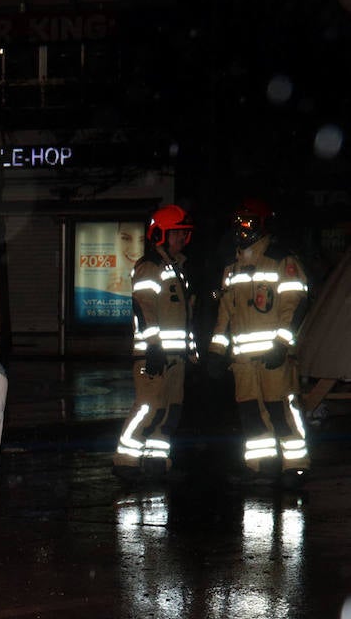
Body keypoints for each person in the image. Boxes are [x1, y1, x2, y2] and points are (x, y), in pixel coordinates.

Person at [207, 198, 311, 485]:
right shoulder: (232, 268)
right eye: (238, 223)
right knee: (251, 415)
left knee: (282, 412)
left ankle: (295, 467)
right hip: (243, 362)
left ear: (263, 224)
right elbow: (225, 312)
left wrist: (282, 343)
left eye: (249, 223)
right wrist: (216, 351)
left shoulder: (282, 260)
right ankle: (261, 468)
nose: (242, 229)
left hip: (274, 357)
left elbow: (296, 305)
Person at [113, 204, 196, 479]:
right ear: (160, 234)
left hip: (176, 357)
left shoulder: (177, 269)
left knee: (170, 412)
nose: (181, 239)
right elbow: (143, 308)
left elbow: (185, 317)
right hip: (154, 355)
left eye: (184, 233)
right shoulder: (151, 267)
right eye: (176, 234)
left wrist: (191, 353)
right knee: (149, 408)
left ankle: (155, 462)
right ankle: (126, 462)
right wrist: (154, 346)